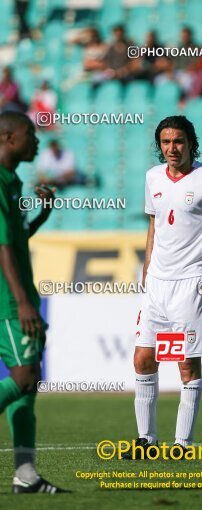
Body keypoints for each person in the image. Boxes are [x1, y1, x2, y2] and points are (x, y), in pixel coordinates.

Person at [122, 115, 202, 459]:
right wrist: (147, 266)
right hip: (158, 285)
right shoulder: (152, 177)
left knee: (187, 365)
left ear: (191, 142)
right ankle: (147, 441)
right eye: (165, 142)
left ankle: (182, 446)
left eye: (178, 141)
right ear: (159, 146)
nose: (171, 148)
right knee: (144, 358)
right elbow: (154, 224)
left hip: (192, 285)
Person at [0, 111, 68, 493]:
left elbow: (15, 236)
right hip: (9, 300)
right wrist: (25, 303)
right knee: (25, 377)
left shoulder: (11, 182)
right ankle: (25, 474)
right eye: (30, 134)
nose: (37, 141)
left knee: (27, 383)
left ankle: (25, 476)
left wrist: (41, 215)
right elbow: (2, 247)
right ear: (8, 138)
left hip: (15, 296)